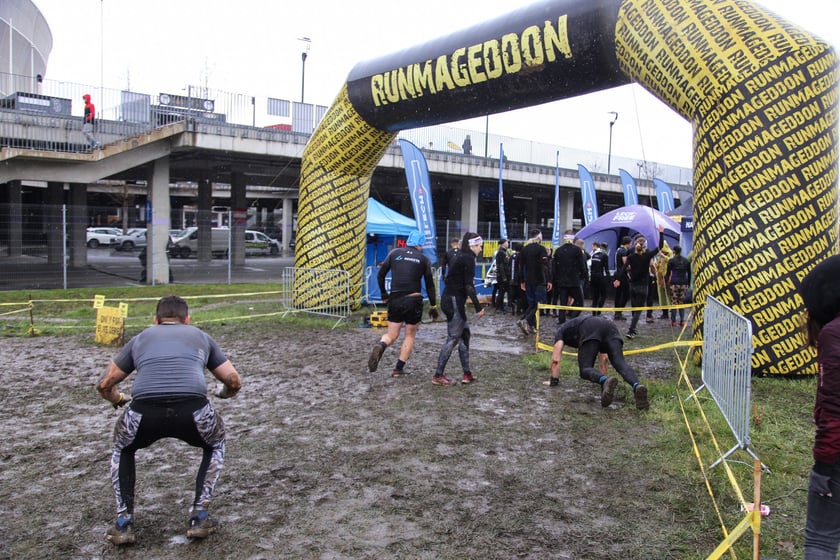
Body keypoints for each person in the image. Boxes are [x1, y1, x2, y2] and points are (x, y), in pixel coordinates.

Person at [96, 295, 243, 545]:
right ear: (187, 319)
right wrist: (223, 394)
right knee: (216, 443)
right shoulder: (200, 336)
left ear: (155, 320)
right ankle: (199, 516)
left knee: (123, 447)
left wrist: (119, 399)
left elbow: (104, 384)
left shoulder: (140, 338)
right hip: (194, 410)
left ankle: (123, 523)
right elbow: (233, 381)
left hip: (143, 411)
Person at [799, 255, 840, 559]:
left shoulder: (833, 333)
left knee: (821, 538)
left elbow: (834, 406)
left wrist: (824, 465)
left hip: (837, 456)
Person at [368, 230, 439, 376]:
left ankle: (381, 345)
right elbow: (430, 285)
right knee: (410, 335)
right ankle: (398, 369)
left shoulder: (394, 253)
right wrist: (433, 306)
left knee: (392, 335)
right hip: (413, 300)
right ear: (420, 244)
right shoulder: (424, 259)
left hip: (395, 299)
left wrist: (383, 293)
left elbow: (381, 274)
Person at [542, 315, 649, 409]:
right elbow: (604, 358)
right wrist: (605, 387)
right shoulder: (576, 324)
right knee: (620, 363)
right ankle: (637, 386)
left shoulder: (560, 332)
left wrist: (553, 381)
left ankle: (604, 380)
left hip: (590, 327)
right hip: (610, 327)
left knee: (585, 369)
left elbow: (555, 360)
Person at [433, 232, 485, 385]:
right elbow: (469, 286)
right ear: (473, 246)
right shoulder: (468, 258)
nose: (481, 249)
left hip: (451, 299)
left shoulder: (463, 256)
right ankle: (437, 375)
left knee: (465, 334)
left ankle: (467, 373)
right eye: (480, 246)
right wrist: (478, 307)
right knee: (453, 337)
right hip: (454, 300)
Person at [614, 226, 665, 339]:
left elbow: (624, 268)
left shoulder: (631, 256)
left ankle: (634, 327)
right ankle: (631, 330)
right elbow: (660, 247)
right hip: (643, 285)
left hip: (632, 285)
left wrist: (617, 279)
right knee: (638, 310)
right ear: (645, 247)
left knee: (634, 307)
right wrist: (661, 233)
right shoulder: (647, 256)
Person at [516, 228, 552, 335]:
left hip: (528, 280)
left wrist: (522, 281)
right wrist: (549, 280)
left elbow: (521, 266)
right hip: (539, 280)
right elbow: (545, 266)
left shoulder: (524, 249)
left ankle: (529, 324)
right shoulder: (541, 249)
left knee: (532, 303)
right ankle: (525, 320)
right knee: (539, 303)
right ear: (539, 237)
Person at [552, 230, 588, 325]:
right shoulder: (577, 250)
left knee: (563, 303)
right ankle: (572, 320)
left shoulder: (558, 251)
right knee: (579, 302)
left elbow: (554, 267)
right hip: (574, 281)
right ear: (573, 238)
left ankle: (561, 320)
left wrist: (556, 280)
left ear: (564, 238)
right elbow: (582, 266)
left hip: (562, 281)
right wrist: (584, 277)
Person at [665, 245, 691, 327]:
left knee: (674, 302)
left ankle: (674, 321)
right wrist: (688, 283)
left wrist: (666, 282)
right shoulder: (686, 261)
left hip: (674, 283)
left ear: (674, 251)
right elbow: (689, 273)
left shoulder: (671, 261)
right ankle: (682, 320)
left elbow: (668, 273)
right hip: (684, 283)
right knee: (681, 302)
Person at [612, 236, 632, 320]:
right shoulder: (624, 251)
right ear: (628, 243)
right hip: (622, 275)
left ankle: (617, 312)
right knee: (626, 294)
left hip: (617, 273)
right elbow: (626, 264)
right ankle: (619, 311)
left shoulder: (618, 249)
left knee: (618, 294)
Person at [589, 242, 610, 315]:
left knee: (595, 296)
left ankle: (593, 313)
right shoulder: (605, 255)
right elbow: (606, 268)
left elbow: (590, 267)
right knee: (603, 295)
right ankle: (598, 311)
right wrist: (609, 279)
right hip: (600, 277)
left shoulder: (594, 255)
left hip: (593, 277)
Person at [493, 238, 510, 312]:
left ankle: (501, 307)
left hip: (504, 275)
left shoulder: (504, 252)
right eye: (506, 242)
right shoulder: (501, 252)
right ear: (503, 243)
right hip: (502, 276)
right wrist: (504, 277)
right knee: (501, 292)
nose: (508, 243)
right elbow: (500, 265)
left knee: (502, 292)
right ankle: (498, 307)